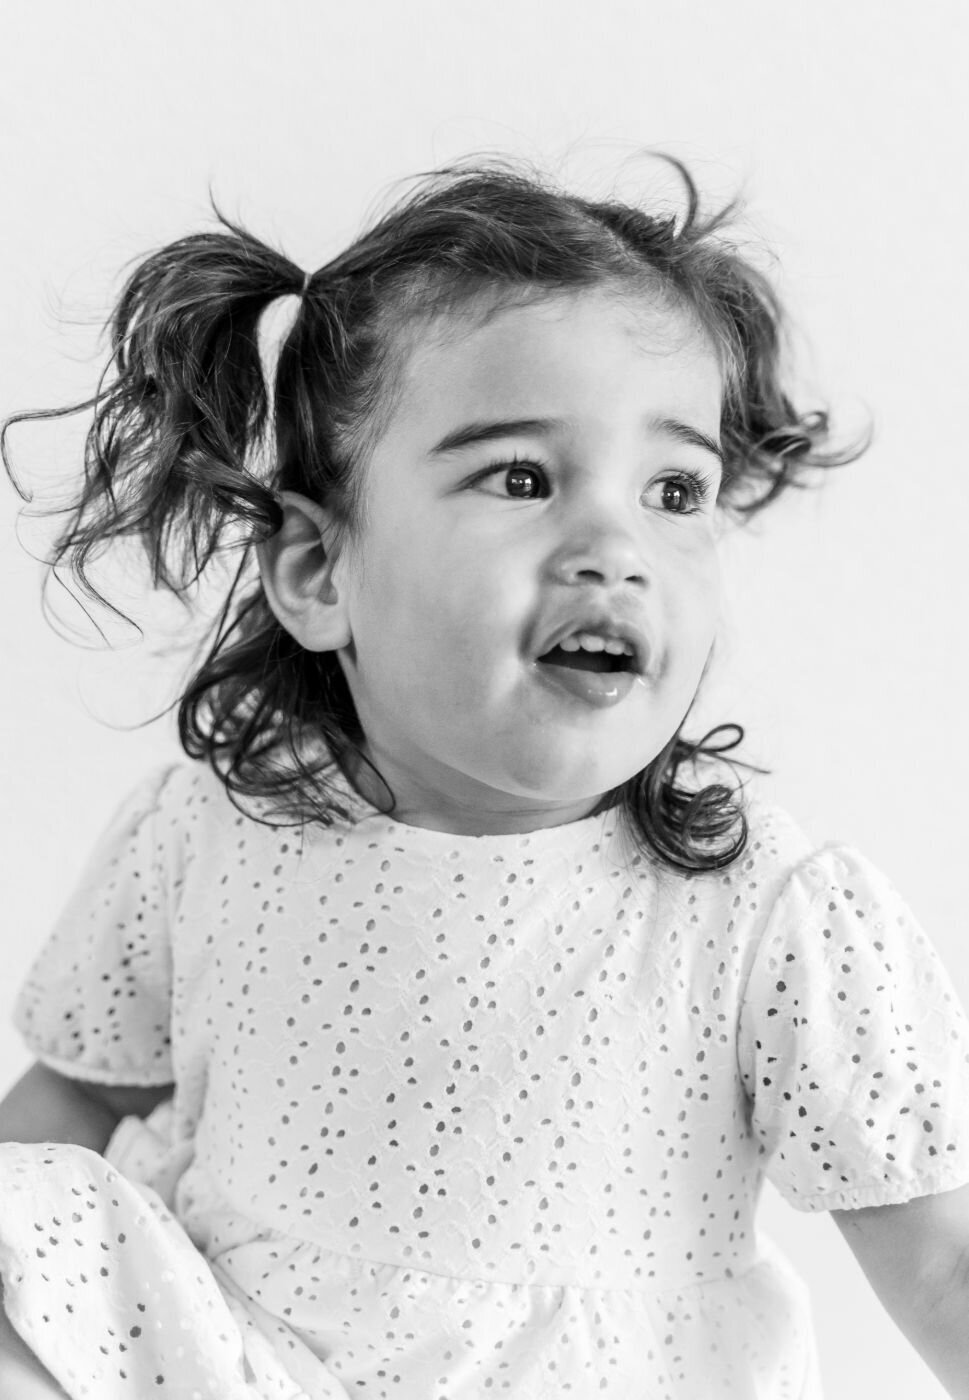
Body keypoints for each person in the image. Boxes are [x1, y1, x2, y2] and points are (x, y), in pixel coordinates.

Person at [1, 156, 968, 1400]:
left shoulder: (766, 913)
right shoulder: (214, 825)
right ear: (316, 569)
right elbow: (72, 1099)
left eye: (675, 489)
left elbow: (943, 1270)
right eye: (522, 476)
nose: (615, 547)